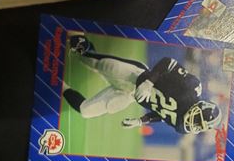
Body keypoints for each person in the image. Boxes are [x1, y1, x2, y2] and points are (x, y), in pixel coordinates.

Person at [62, 33, 221, 134]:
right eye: (198, 119)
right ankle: (79, 38)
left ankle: (59, 85)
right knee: (89, 60)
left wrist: (141, 121)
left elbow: (164, 116)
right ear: (200, 107)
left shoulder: (182, 126)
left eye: (199, 126)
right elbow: (168, 62)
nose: (194, 124)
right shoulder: (191, 87)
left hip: (131, 95)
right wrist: (149, 82)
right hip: (136, 76)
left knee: (86, 111)